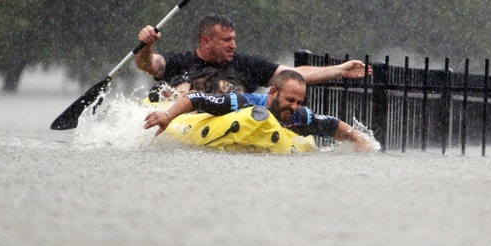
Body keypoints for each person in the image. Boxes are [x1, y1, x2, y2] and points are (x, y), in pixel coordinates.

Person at [143, 70, 375, 152]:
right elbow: (197, 98)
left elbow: (331, 124)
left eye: (299, 101)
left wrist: (358, 138)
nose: (293, 106)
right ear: (273, 92)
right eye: (290, 99)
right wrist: (168, 116)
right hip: (210, 125)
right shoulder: (243, 102)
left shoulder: (297, 115)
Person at [136, 14, 370, 95]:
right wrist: (146, 45)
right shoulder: (181, 61)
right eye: (226, 40)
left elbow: (294, 74)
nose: (233, 45)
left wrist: (340, 69)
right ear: (206, 41)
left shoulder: (246, 65)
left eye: (234, 39)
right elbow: (149, 65)